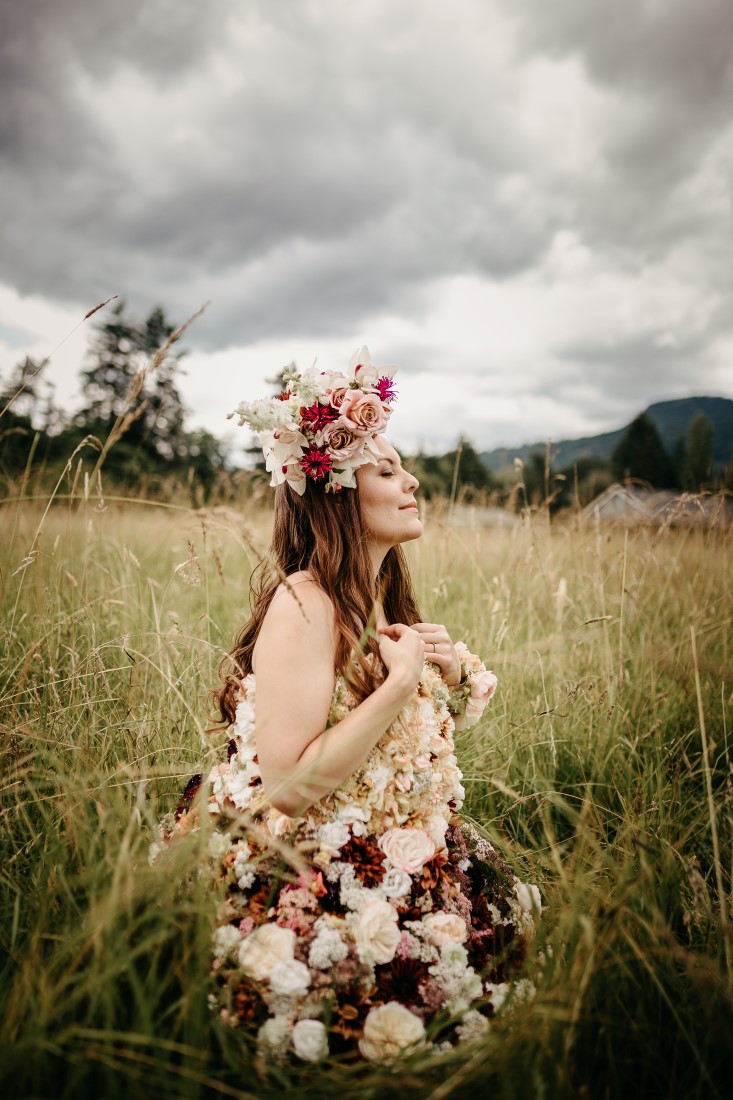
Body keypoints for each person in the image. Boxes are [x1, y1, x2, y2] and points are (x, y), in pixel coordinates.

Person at [154, 348, 540, 1064]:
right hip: (303, 855)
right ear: (336, 493)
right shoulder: (305, 602)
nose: (412, 480)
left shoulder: (380, 600)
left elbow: (397, 751)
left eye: (403, 467)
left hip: (387, 839)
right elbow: (289, 786)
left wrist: (443, 673)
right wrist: (397, 686)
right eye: (386, 470)